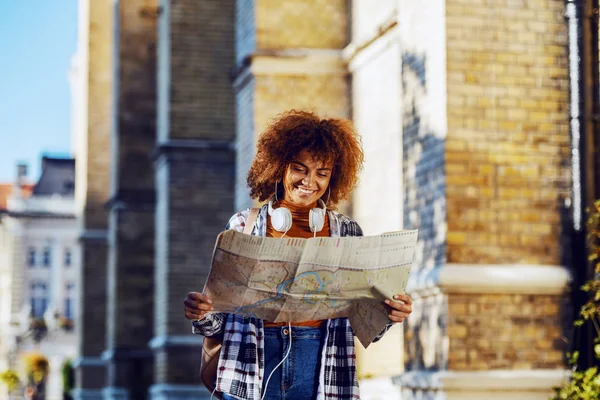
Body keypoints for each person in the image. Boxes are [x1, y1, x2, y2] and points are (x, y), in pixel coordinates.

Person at [184, 110, 413, 400]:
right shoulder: (244, 225)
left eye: (322, 173)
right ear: (279, 167)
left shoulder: (346, 232)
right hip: (250, 362)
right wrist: (201, 313)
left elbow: (362, 324)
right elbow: (217, 320)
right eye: (300, 168)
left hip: (321, 363)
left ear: (333, 177)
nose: (309, 181)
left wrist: (391, 313)